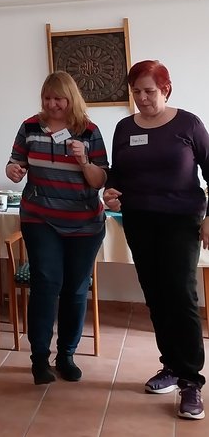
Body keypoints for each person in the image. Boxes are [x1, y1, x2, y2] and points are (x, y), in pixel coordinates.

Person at [103, 60, 207, 420]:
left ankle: (191, 380)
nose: (142, 98)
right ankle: (171, 366)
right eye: (136, 92)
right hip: (139, 221)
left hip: (181, 220)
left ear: (166, 89)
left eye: (149, 91)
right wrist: (110, 191)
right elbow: (117, 174)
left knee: (181, 295)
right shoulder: (124, 128)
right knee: (157, 296)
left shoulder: (188, 124)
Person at [5, 70, 108, 385]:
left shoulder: (89, 131)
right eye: (47, 98)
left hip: (84, 223)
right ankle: (39, 358)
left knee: (76, 289)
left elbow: (100, 180)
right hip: (40, 218)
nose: (52, 104)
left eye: (59, 99)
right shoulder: (30, 127)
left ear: (71, 99)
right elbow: (15, 163)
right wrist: (13, 170)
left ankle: (66, 355)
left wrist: (84, 161)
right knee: (46, 284)